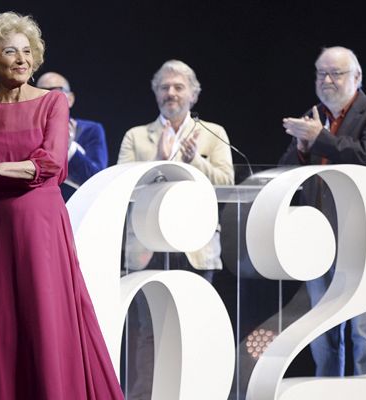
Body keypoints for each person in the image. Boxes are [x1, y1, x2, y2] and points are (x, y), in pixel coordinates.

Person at [0, 12, 124, 400]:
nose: (21, 58)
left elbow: (52, 163)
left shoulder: (52, 102)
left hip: (42, 222)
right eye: (10, 51)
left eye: (27, 51)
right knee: (2, 325)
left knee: (48, 319)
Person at [116, 59, 234, 400]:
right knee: (147, 331)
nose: (171, 93)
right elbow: (121, 185)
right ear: (155, 93)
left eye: (178, 87)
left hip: (195, 247)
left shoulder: (213, 134)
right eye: (164, 87)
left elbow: (227, 182)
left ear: (193, 95)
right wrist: (158, 159)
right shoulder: (137, 136)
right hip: (147, 248)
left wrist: (195, 160)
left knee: (192, 328)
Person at [279, 46, 366, 377]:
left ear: (357, 77)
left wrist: (320, 138)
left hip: (361, 237)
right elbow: (285, 171)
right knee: (321, 333)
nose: (327, 80)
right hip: (318, 239)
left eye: (336, 73)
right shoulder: (314, 115)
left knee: (364, 331)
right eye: (321, 73)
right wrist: (303, 148)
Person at [36, 71, 108, 200]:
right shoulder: (30, 133)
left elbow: (98, 180)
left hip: (77, 207)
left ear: (70, 99)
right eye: (40, 92)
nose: (46, 98)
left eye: (55, 92)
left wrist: (69, 148)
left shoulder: (90, 130)